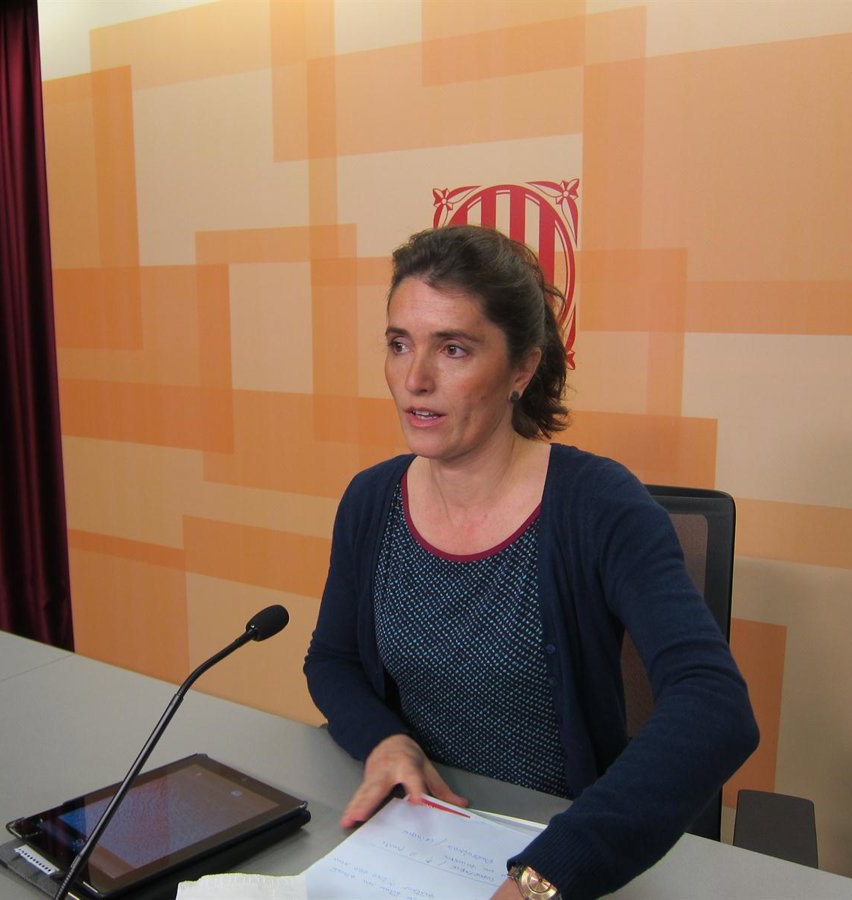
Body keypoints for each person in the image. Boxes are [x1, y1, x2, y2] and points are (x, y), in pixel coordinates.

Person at [304, 224, 759, 899]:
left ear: (521, 369)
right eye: (399, 344)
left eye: (453, 349)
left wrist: (544, 878)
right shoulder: (372, 500)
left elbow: (715, 706)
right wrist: (385, 741)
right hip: (413, 840)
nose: (415, 379)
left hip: (555, 846)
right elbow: (333, 660)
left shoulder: (600, 504)